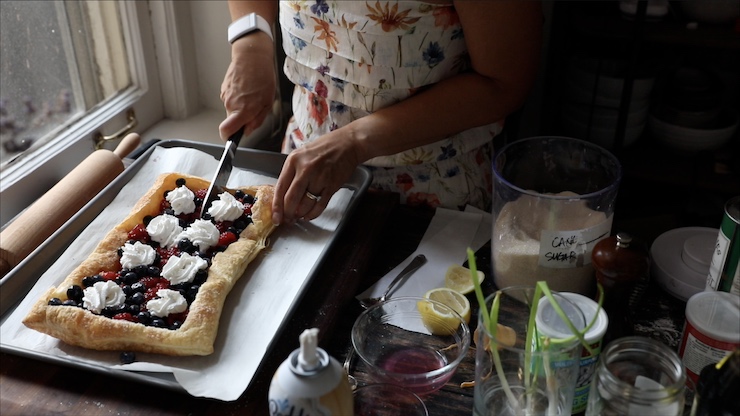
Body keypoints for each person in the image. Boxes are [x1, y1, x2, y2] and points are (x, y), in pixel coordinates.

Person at [220, 0, 542, 226]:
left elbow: (504, 84)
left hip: (432, 197)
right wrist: (251, 42)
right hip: (301, 169)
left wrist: (355, 141)